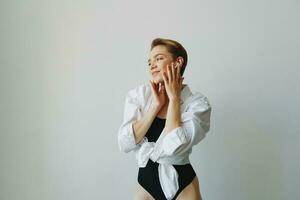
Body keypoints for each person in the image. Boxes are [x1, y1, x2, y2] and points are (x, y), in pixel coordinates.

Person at [118, 38, 212, 200]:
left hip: (183, 187)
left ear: (178, 62)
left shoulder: (197, 104)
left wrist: (174, 98)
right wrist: (156, 105)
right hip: (145, 186)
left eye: (159, 58)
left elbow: (173, 147)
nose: (152, 65)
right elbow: (124, 143)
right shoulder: (139, 95)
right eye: (149, 62)